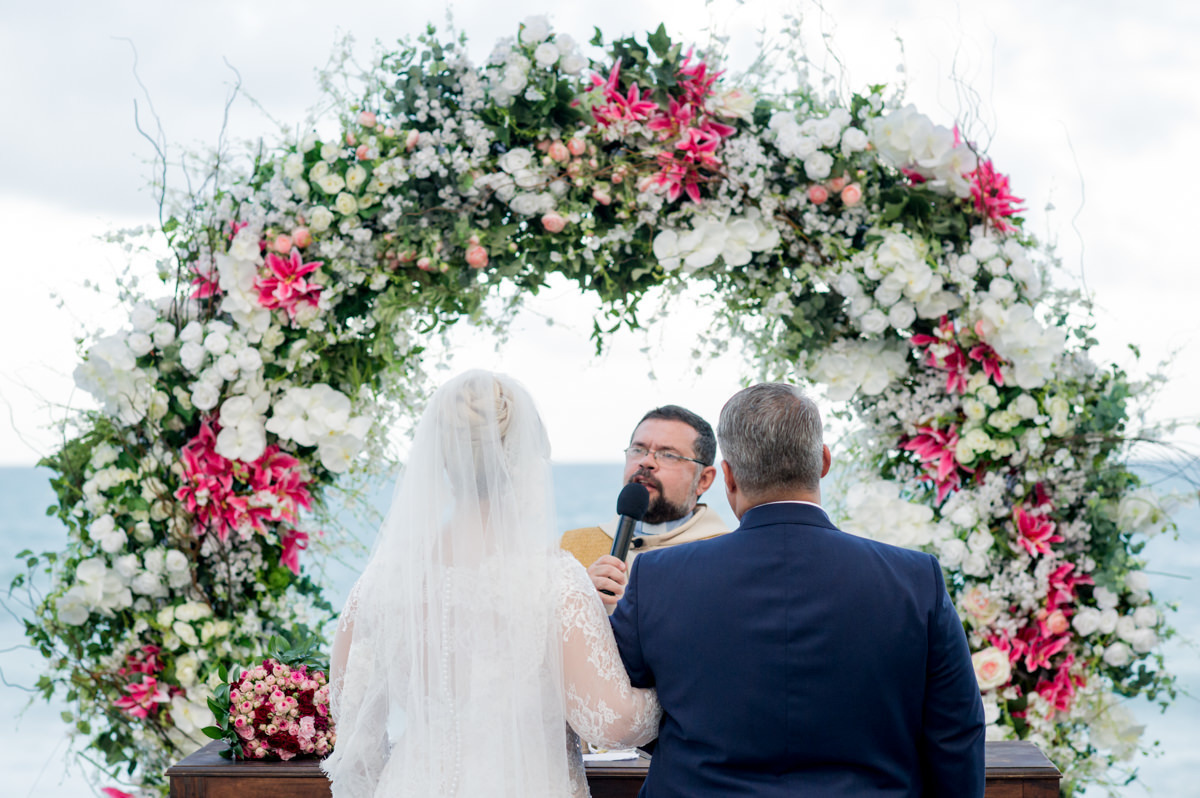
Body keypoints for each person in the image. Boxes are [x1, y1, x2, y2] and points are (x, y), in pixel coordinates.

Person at [610, 383, 986, 797]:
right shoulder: (915, 579)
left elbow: (620, 707)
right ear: (824, 461)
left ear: (728, 476)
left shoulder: (657, 577)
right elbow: (955, 735)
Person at [322, 371, 660, 798]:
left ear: (442, 459)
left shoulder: (382, 581)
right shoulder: (552, 579)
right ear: (522, 462)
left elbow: (354, 730)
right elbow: (609, 722)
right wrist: (669, 694)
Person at [560, 405, 729, 606]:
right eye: (638, 450)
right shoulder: (568, 549)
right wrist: (575, 597)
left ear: (704, 479)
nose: (646, 462)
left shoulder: (728, 556)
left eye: (668, 454)